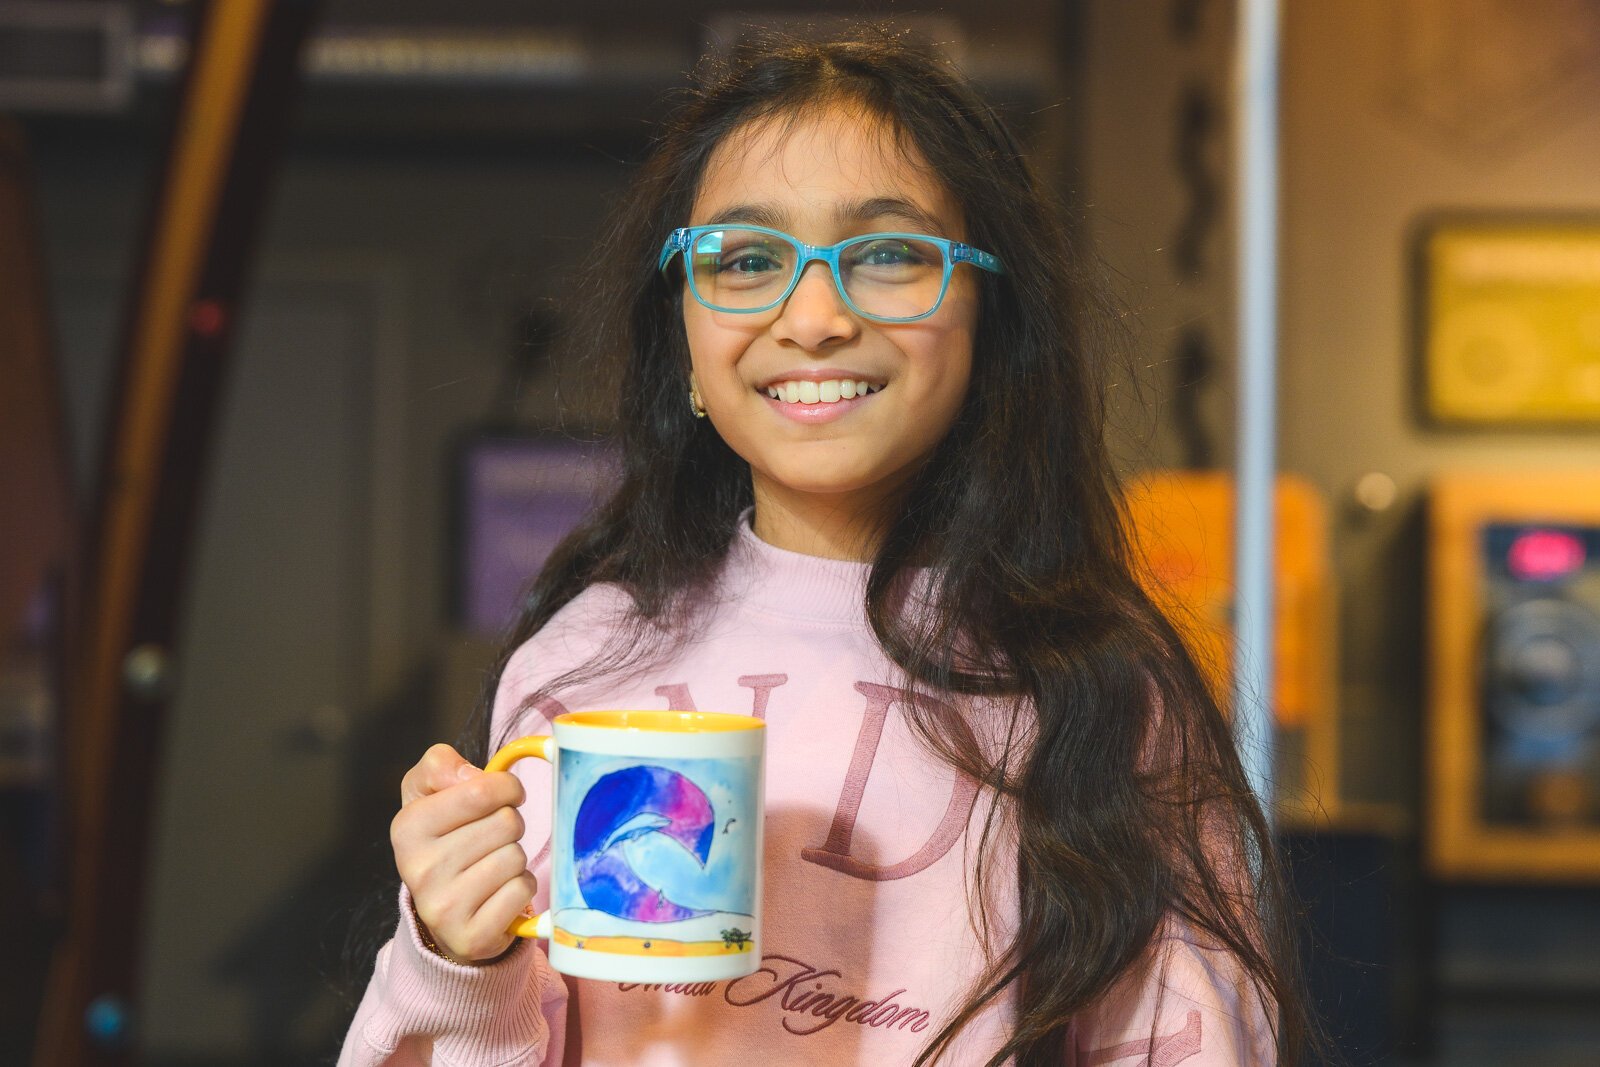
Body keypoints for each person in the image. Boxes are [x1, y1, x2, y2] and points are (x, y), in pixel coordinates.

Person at [340, 28, 1310, 1067]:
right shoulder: (582, 658)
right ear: (686, 352)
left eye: (888, 254)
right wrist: (455, 958)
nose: (812, 316)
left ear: (993, 324)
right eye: (748, 259)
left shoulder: (1101, 688)